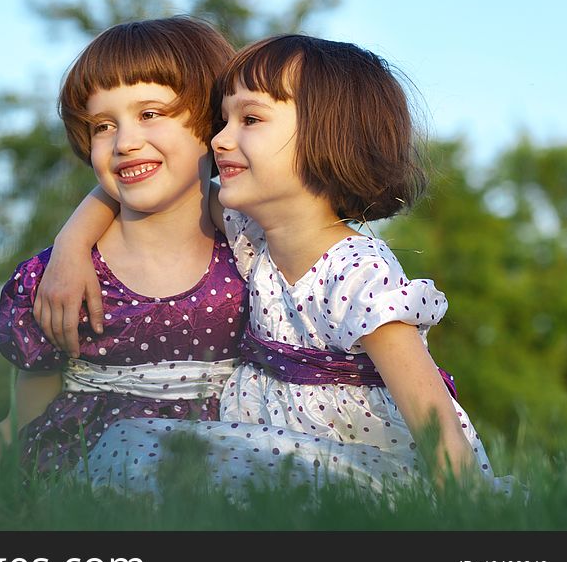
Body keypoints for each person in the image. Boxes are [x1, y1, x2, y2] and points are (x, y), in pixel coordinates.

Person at [38, 34, 508, 495]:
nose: (219, 139)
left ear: (328, 136)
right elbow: (149, 184)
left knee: (138, 447)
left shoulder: (356, 271)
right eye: (222, 120)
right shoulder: (254, 240)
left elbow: (433, 418)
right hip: (281, 460)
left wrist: (459, 508)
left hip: (361, 472)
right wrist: (71, 244)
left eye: (250, 119)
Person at [0, 16, 248, 489]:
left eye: (150, 114)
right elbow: (21, 422)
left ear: (211, 123)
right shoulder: (63, 277)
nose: (125, 142)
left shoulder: (251, 254)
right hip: (81, 484)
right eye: (104, 125)